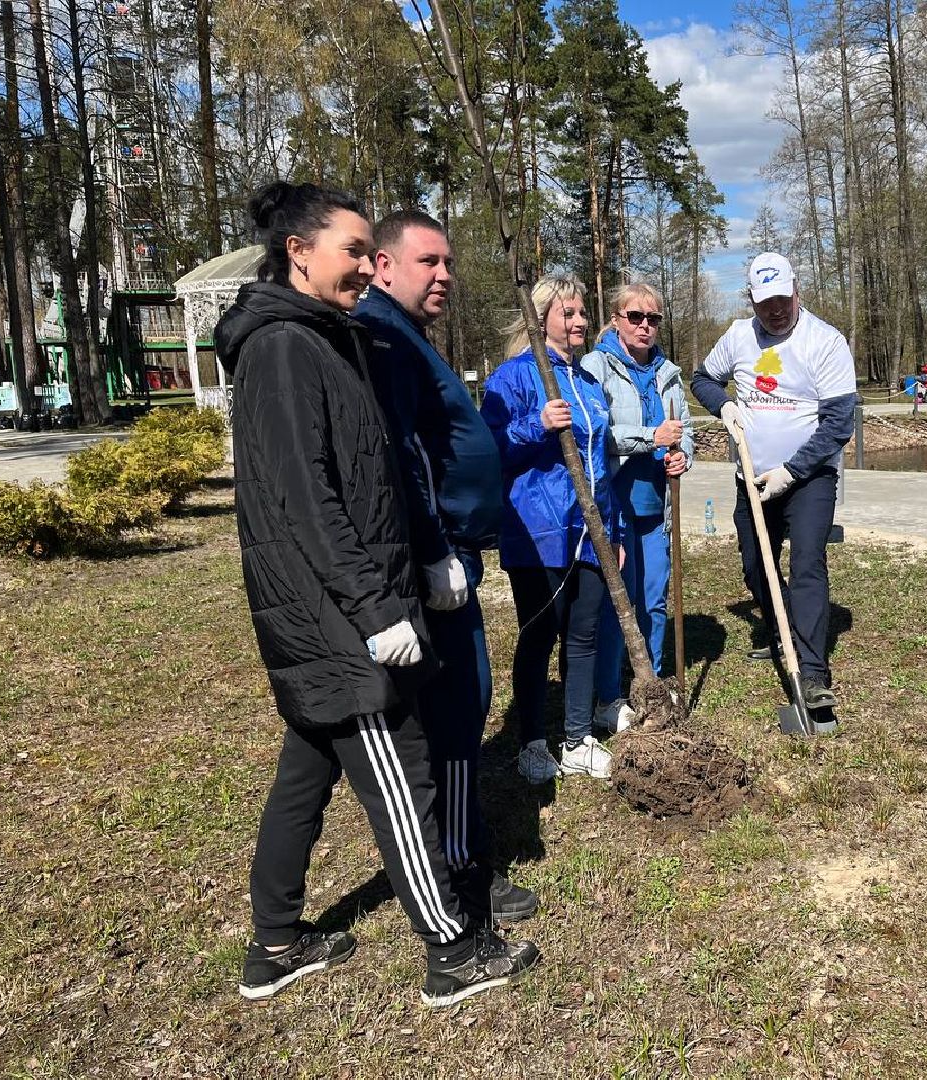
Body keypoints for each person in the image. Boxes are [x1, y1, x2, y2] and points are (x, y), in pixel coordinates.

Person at [216, 181, 537, 1007]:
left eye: (368, 252)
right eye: (353, 251)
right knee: (406, 776)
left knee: (306, 770)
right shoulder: (284, 349)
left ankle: (276, 943)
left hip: (348, 600)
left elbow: (379, 471)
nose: (365, 266)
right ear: (299, 252)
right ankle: (453, 951)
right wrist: (376, 608)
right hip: (335, 613)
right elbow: (306, 499)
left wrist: (421, 557)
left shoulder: (328, 338)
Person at [354, 209, 537, 926]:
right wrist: (434, 550)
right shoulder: (385, 338)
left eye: (449, 263)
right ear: (383, 265)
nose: (445, 276)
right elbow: (402, 458)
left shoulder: (406, 335)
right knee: (460, 711)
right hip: (436, 557)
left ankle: (459, 855)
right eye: (428, 262)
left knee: (461, 707)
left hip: (453, 551)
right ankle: (462, 869)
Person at [691, 252, 857, 710]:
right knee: (754, 565)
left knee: (807, 563)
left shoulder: (825, 341)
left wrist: (792, 470)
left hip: (809, 479)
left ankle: (811, 671)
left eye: (783, 299)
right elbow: (702, 379)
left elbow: (839, 421)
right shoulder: (738, 336)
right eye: (766, 303)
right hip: (751, 477)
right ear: (752, 300)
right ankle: (780, 624)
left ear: (796, 289)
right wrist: (721, 405)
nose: (776, 310)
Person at [481, 275, 622, 783]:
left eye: (583, 312)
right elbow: (489, 449)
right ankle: (533, 743)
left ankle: (579, 737)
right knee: (539, 635)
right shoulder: (513, 377)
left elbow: (601, 465)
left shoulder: (587, 381)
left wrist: (615, 532)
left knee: (583, 635)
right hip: (538, 531)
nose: (581, 321)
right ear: (541, 319)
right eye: (569, 313)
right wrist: (533, 424)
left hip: (589, 532)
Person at [581, 282, 692, 729]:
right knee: (615, 601)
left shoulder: (669, 372)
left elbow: (683, 431)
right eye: (635, 317)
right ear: (615, 320)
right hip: (614, 504)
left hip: (654, 506)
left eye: (654, 319)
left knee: (653, 599)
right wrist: (651, 438)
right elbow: (596, 434)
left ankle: (652, 680)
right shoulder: (595, 367)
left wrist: (684, 456)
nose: (645, 326)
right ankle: (608, 694)